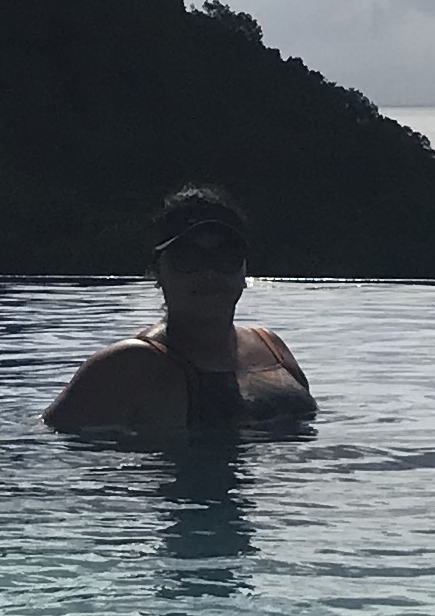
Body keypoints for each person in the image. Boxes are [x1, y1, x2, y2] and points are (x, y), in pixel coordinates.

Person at [45, 185, 316, 433]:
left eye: (225, 257)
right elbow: (46, 447)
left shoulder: (271, 346)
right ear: (157, 271)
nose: (208, 273)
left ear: (245, 269)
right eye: (188, 257)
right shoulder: (130, 365)